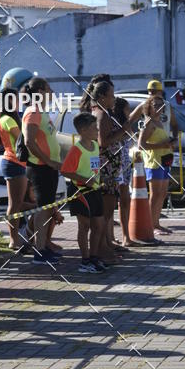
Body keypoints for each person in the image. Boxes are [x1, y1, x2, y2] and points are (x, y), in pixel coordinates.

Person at [21, 77, 62, 263]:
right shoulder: (33, 111)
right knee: (42, 209)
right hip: (40, 166)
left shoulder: (42, 112)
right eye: (49, 89)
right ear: (39, 92)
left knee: (46, 209)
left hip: (48, 167)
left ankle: (43, 245)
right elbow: (29, 141)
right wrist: (48, 161)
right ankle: (39, 251)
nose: (52, 92)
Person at [60, 112, 106, 273]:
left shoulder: (95, 146)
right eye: (94, 128)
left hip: (94, 189)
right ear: (84, 130)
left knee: (99, 225)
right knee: (84, 225)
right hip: (80, 190)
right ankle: (85, 260)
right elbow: (66, 170)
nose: (97, 131)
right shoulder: (76, 149)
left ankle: (94, 257)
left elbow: (93, 166)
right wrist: (84, 179)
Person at [0, 88, 35, 250]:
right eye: (15, 99)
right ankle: (14, 239)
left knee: (20, 203)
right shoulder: (7, 119)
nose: (18, 102)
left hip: (19, 163)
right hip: (13, 162)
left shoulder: (9, 118)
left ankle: (24, 236)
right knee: (15, 204)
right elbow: (22, 139)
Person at [90, 80, 127, 262]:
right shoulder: (102, 115)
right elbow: (104, 142)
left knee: (106, 211)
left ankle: (105, 246)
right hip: (107, 168)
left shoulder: (99, 112)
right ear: (103, 97)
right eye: (112, 95)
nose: (114, 98)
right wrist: (126, 128)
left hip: (106, 167)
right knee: (105, 211)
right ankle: (102, 249)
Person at [138, 95, 174, 235]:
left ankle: (156, 223)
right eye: (156, 105)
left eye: (161, 105)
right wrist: (162, 145)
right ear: (149, 107)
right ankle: (150, 225)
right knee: (155, 194)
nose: (159, 108)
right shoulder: (149, 123)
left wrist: (170, 143)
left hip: (164, 160)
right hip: (154, 162)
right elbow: (141, 144)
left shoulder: (159, 122)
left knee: (162, 193)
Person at [113, 96, 133, 246]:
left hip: (126, 165)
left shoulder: (127, 125)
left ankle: (127, 235)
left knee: (125, 201)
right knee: (116, 201)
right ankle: (115, 237)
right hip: (116, 166)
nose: (129, 112)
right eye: (127, 109)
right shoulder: (115, 125)